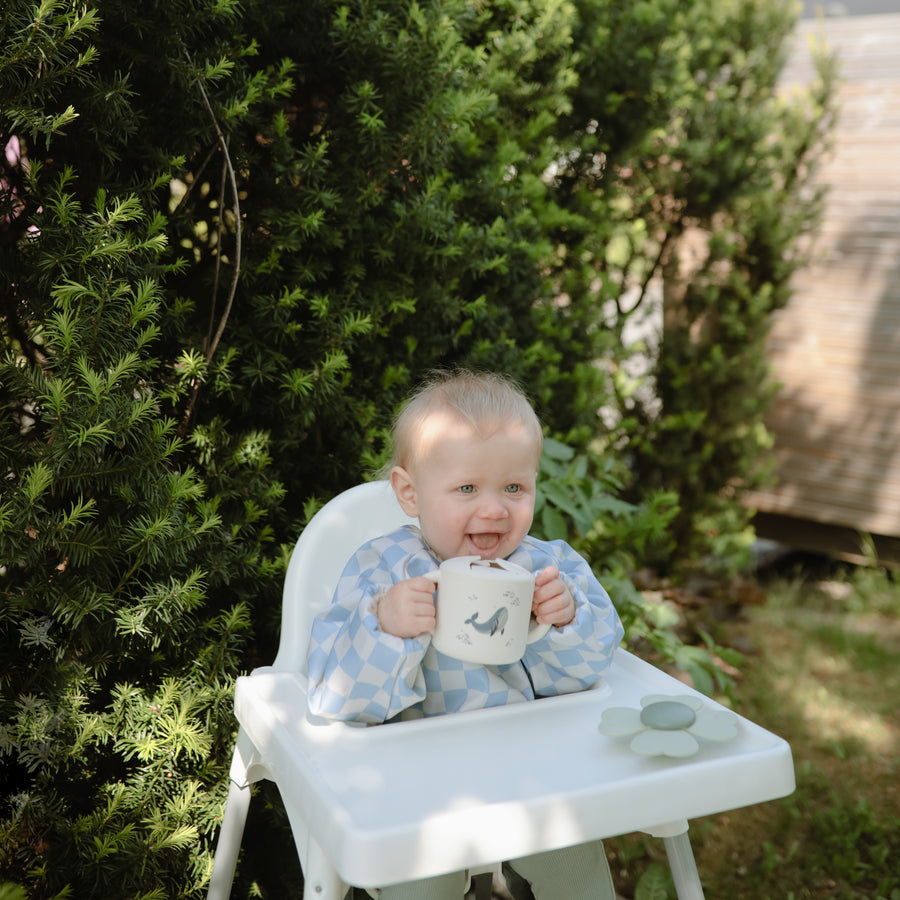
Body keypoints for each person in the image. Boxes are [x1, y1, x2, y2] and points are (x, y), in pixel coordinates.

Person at [307, 370, 624, 900]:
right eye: (467, 488)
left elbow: (595, 668)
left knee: (577, 863)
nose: (494, 508)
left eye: (514, 487)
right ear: (410, 493)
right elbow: (332, 695)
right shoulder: (383, 570)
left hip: (532, 772)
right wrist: (385, 625)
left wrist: (563, 621)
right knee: (418, 878)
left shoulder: (548, 568)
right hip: (417, 787)